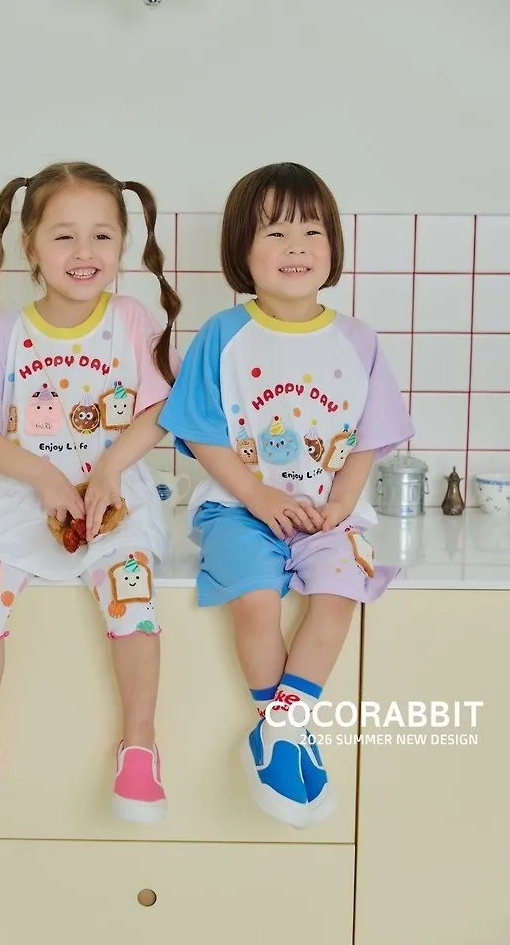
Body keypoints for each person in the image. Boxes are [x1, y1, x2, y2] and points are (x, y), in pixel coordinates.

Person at [0, 161, 181, 824]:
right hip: (22, 498)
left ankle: (140, 747)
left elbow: (160, 410)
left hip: (112, 496)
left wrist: (110, 468)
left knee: (131, 595)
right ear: (31, 246)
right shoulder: (7, 333)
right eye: (64, 235)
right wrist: (42, 476)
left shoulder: (131, 321)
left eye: (102, 235)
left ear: (123, 244)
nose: (84, 251)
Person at [158, 162, 414, 828]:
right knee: (254, 597)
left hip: (329, 514)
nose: (296, 246)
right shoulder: (223, 334)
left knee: (340, 591)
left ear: (333, 246)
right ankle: (287, 731)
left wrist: (341, 505)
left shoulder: (358, 340)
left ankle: (281, 728)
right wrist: (259, 496)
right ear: (241, 250)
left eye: (312, 230)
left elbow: (367, 438)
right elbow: (200, 432)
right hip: (237, 509)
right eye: (275, 232)